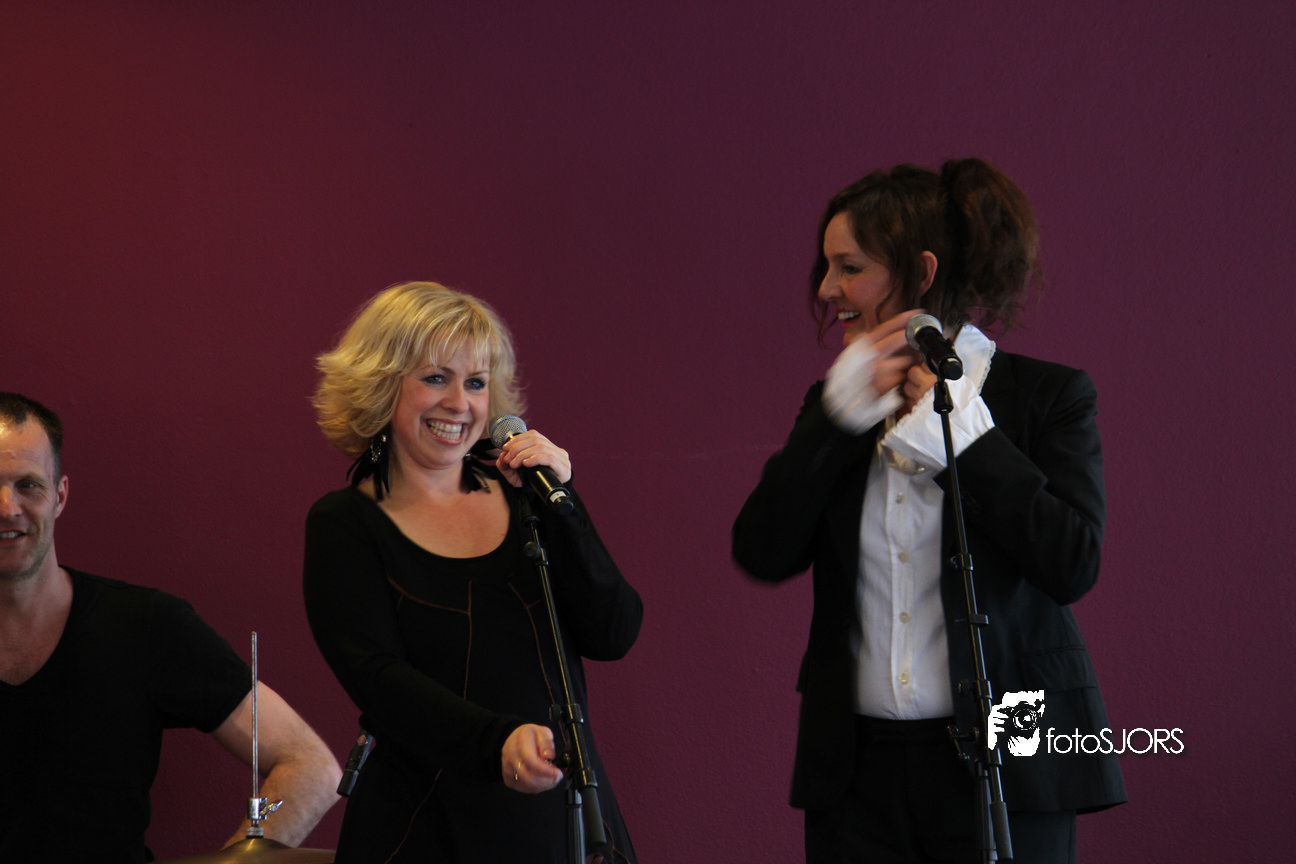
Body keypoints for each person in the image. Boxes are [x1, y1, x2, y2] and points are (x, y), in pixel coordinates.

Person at [732, 160, 1126, 863]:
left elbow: (1071, 561)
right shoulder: (837, 403)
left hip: (1011, 753)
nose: (827, 290)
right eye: (828, 268)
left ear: (920, 273)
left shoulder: (1048, 397)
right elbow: (761, 549)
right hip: (855, 772)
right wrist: (831, 421)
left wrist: (967, 439)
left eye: (850, 267)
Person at [304, 281, 641, 863]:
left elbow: (613, 632)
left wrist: (564, 504)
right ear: (382, 385)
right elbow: (378, 679)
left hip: (558, 823)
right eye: (437, 378)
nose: (460, 403)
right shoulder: (345, 523)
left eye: (477, 383)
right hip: (424, 827)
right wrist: (498, 743)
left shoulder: (529, 497)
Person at [0, 392, 342, 863]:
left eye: (28, 485)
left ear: (59, 496)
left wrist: (242, 859)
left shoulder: (144, 626)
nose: (7, 508)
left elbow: (311, 768)